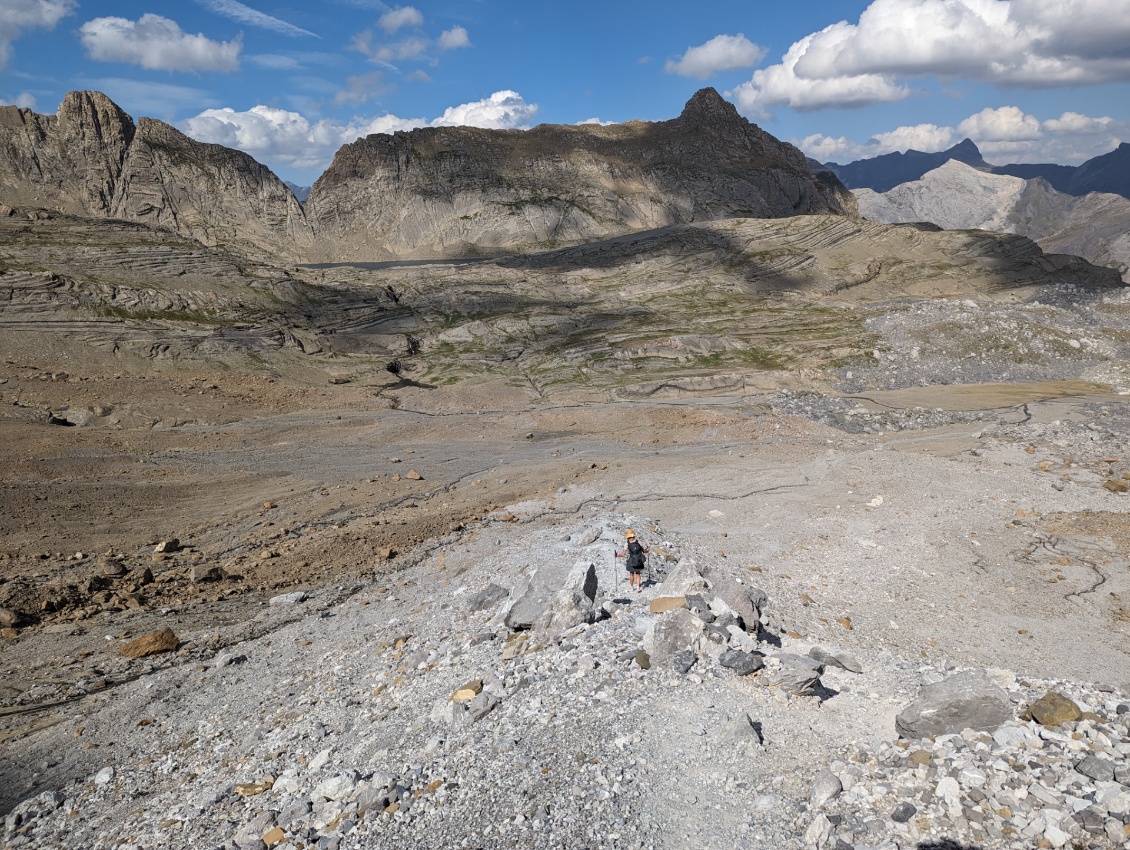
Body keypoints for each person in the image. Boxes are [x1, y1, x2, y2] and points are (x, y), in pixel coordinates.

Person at [615, 529, 649, 593]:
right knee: (638, 573)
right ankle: (638, 587)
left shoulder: (627, 544)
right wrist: (647, 550)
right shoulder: (638, 542)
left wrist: (617, 555)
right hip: (639, 560)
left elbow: (623, 554)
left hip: (631, 561)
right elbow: (644, 551)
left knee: (631, 574)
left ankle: (631, 587)